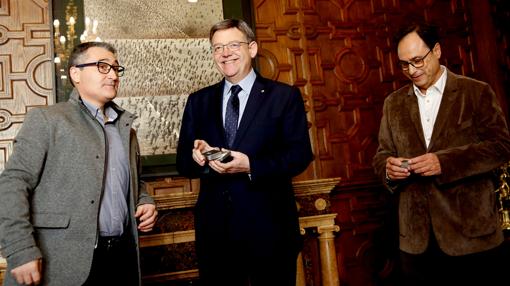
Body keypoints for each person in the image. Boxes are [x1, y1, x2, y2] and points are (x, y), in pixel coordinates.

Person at [0, 42, 158, 285]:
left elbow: (134, 182)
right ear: (76, 74)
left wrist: (144, 201)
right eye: (103, 67)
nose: (114, 75)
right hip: (62, 261)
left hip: (121, 257)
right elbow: (11, 183)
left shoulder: (127, 130)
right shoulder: (48, 120)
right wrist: (20, 249)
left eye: (116, 68)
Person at [176, 19, 313, 286]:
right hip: (216, 236)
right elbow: (183, 162)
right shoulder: (198, 101)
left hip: (270, 232)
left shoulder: (284, 97)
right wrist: (199, 158)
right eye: (217, 48)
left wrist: (251, 165)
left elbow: (299, 155)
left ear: (251, 48)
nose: (225, 53)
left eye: (233, 45)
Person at [372, 23, 510, 285]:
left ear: (436, 51)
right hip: (416, 241)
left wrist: (444, 162)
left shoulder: (476, 92)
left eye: (417, 60)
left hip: (472, 237)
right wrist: (388, 169)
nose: (411, 70)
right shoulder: (394, 103)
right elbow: (382, 154)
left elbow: (501, 146)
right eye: (404, 64)